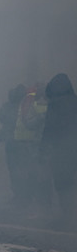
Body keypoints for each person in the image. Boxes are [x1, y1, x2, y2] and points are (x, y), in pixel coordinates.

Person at [41, 73, 77, 227]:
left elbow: (49, 129)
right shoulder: (75, 102)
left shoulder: (55, 104)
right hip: (70, 148)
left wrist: (42, 148)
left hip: (62, 152)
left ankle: (68, 217)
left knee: (64, 185)